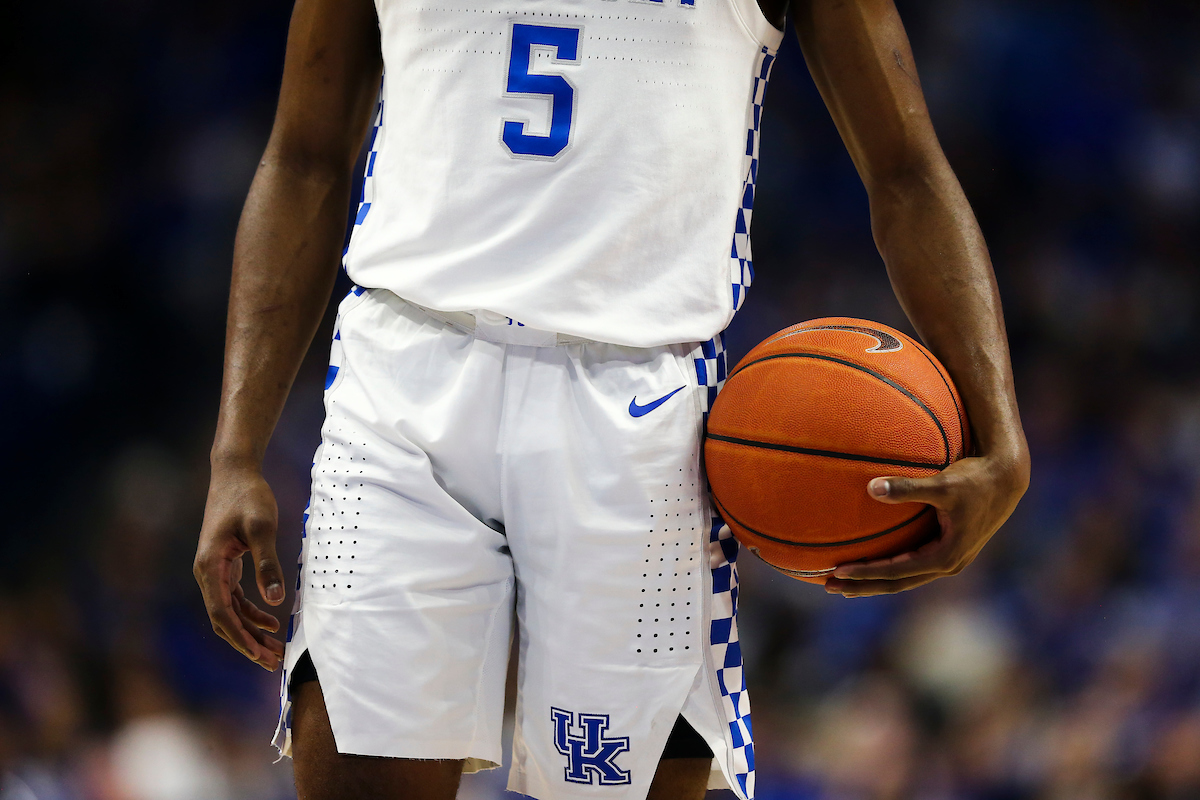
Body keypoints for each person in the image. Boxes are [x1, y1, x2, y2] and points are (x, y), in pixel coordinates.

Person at [192, 0, 1030, 796]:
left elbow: (908, 174)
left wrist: (1002, 442)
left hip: (640, 409)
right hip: (402, 379)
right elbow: (302, 157)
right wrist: (235, 452)